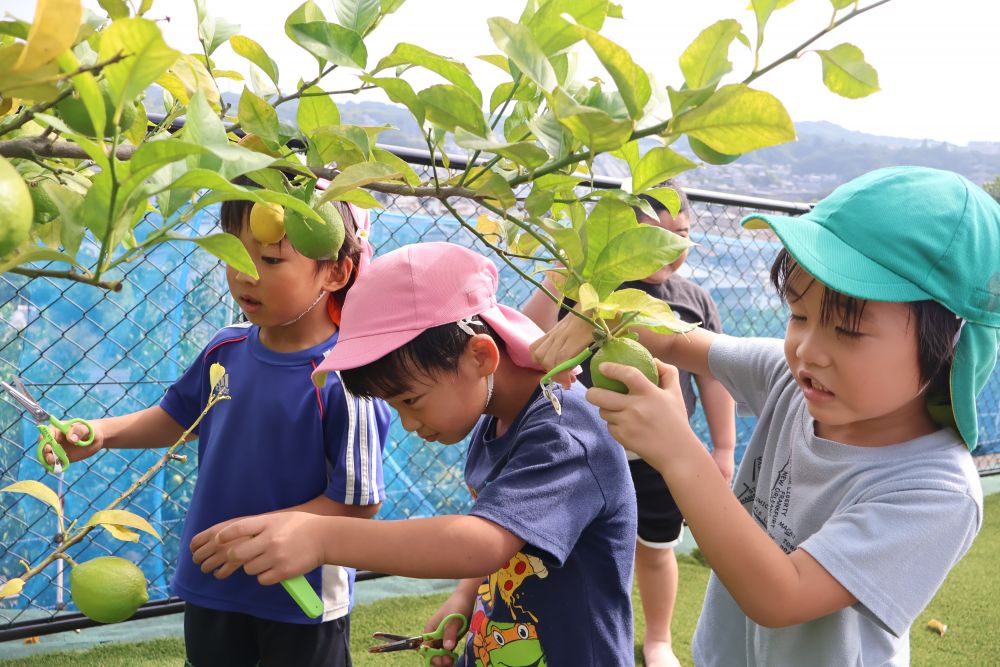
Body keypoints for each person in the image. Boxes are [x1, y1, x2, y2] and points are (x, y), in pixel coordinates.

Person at [530, 166, 998, 665]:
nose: (807, 350)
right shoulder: (788, 377)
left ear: (950, 346)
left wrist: (679, 451)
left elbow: (783, 596)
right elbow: (674, 338)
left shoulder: (934, 490)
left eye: (849, 329)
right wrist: (601, 321)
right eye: (799, 315)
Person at [192, 242, 638, 666]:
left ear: (480, 356)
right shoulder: (498, 418)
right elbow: (506, 530)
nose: (407, 423)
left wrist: (321, 538)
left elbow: (482, 542)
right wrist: (467, 597)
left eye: (410, 400)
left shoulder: (566, 433)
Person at [43, 195, 391, 667]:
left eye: (270, 260)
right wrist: (104, 432)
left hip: (301, 596)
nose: (245, 275)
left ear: (336, 272)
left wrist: (269, 535)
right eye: (235, 254)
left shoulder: (348, 379)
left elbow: (358, 500)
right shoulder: (224, 348)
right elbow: (178, 417)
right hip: (214, 579)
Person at [521, 181, 736, 667]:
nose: (669, 248)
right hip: (586, 453)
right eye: (651, 235)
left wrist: (723, 447)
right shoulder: (588, 292)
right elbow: (529, 336)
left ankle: (658, 637)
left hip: (657, 455)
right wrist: (561, 277)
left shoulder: (694, 300)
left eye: (679, 235)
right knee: (574, 549)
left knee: (658, 549)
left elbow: (714, 380)